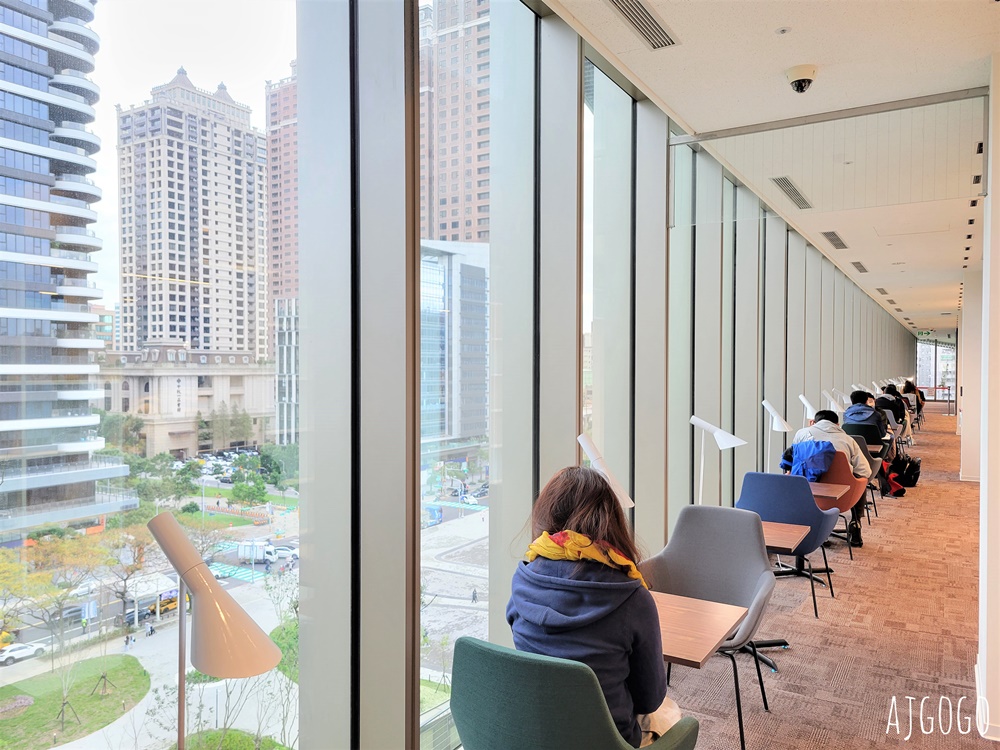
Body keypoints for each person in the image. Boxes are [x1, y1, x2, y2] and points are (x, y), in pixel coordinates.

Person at [506, 466, 679, 748]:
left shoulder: (522, 580)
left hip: (537, 734)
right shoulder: (634, 598)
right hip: (608, 741)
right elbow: (650, 698)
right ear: (611, 520)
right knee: (670, 713)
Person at [793, 409, 871, 545]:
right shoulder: (848, 440)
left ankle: (821, 529)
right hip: (844, 496)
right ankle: (856, 521)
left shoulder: (802, 434)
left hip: (809, 495)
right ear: (837, 424)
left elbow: (793, 460)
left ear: (814, 422)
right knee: (860, 479)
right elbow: (865, 471)